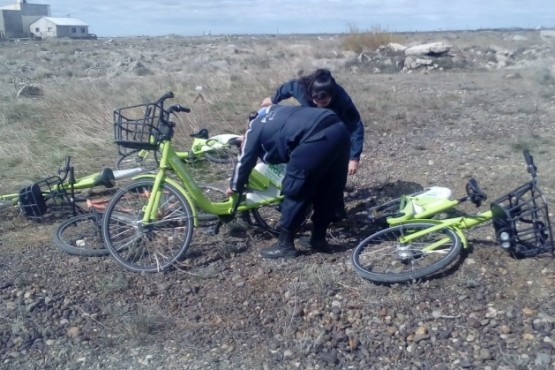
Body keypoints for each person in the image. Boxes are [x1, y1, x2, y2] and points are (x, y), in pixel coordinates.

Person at [226, 105, 352, 259]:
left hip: (315, 138)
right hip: (339, 130)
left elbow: (245, 161)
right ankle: (318, 240)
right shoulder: (279, 111)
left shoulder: (255, 126)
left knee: (295, 190)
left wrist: (235, 186)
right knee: (328, 189)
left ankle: (285, 245)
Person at [261, 68, 364, 220]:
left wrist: (354, 158)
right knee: (301, 170)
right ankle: (291, 204)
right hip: (308, 132)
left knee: (333, 175)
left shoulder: (342, 99)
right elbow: (288, 87)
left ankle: (336, 211)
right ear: (310, 94)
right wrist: (274, 98)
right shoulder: (301, 88)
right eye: (315, 101)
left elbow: (355, 125)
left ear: (332, 95)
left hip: (333, 134)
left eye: (324, 102)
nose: (319, 105)